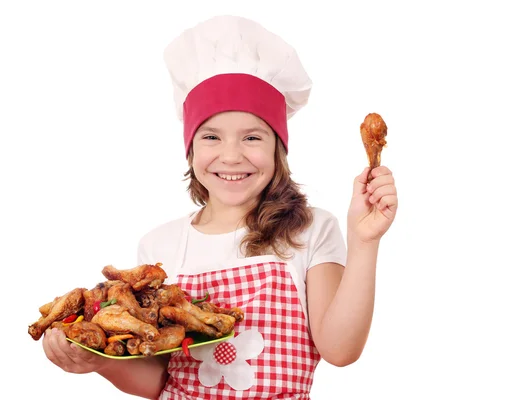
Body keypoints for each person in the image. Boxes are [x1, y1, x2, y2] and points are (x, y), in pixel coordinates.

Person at [41, 15, 398, 399]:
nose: (231, 156)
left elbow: (340, 350)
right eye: (211, 136)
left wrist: (364, 243)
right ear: (191, 149)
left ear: (278, 148)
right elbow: (161, 380)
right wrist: (102, 362)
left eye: (252, 136)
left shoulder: (310, 229)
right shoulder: (158, 248)